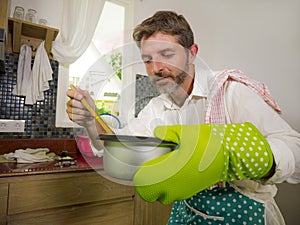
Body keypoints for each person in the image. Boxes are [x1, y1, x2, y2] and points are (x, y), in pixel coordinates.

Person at [66, 11, 300, 225]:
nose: (155, 68)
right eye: (147, 60)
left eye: (166, 54)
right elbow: (122, 145)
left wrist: (230, 157)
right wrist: (90, 119)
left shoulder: (230, 91)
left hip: (244, 214)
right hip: (186, 213)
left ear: (192, 53)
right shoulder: (157, 108)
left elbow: (294, 150)